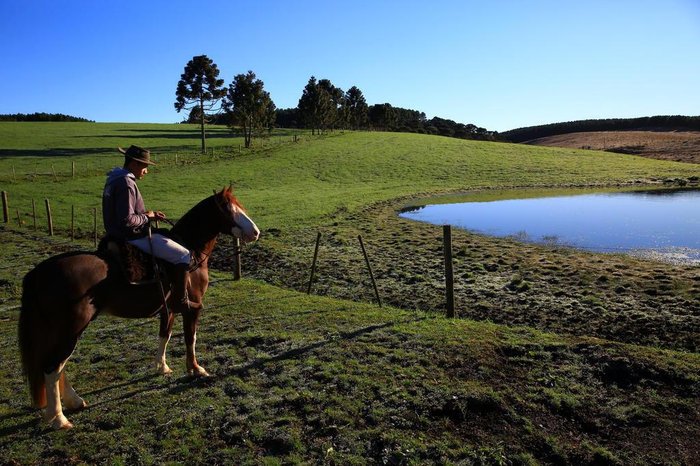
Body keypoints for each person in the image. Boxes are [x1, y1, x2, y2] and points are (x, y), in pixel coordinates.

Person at [102, 145, 201, 313]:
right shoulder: (126, 183)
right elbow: (127, 220)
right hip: (131, 236)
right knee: (184, 255)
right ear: (133, 164)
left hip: (115, 234)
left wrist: (151, 214)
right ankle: (180, 301)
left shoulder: (114, 179)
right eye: (144, 166)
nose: (146, 171)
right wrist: (147, 216)